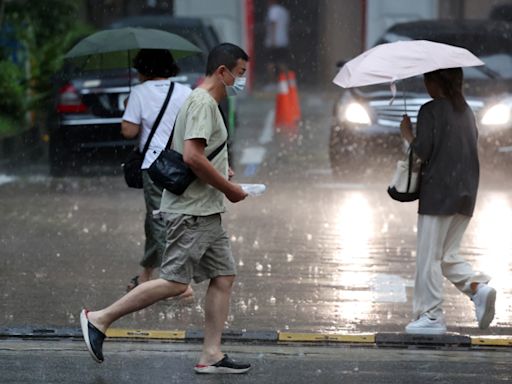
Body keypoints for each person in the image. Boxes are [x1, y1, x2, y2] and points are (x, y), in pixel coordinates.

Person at [80, 43, 251, 374]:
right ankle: (99, 319)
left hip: (205, 209)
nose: (242, 80)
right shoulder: (202, 102)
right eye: (240, 73)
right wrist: (229, 188)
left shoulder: (205, 100)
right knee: (174, 282)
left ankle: (211, 354)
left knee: (224, 276)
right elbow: (191, 156)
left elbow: (200, 153)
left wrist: (222, 167)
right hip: (193, 211)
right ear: (222, 71)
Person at [400, 67, 497, 335]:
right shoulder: (466, 112)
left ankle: (430, 316)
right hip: (465, 193)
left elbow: (421, 152)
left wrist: (407, 134)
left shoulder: (430, 110)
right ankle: (477, 289)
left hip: (438, 194)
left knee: (429, 257)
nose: (425, 85)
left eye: (426, 79)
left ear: (435, 82)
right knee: (446, 255)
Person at [121, 49, 193, 300]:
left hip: (154, 166)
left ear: (143, 69)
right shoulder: (185, 91)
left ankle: (178, 284)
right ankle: (146, 276)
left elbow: (129, 131)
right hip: (182, 164)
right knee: (160, 220)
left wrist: (128, 109)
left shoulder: (139, 93)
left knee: (160, 221)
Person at [264, 0, 290, 83]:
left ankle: (272, 82)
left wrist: (272, 40)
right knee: (281, 62)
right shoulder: (284, 11)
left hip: (274, 42)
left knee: (270, 63)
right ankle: (289, 80)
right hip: (283, 40)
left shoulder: (273, 10)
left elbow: (273, 23)